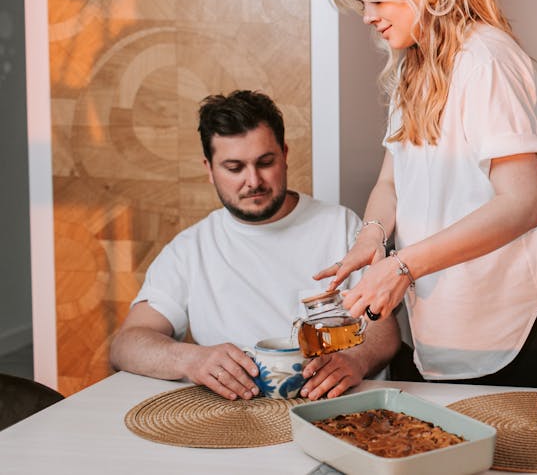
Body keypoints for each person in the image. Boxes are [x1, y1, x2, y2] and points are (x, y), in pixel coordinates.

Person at [315, 0, 537, 387]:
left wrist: (403, 266)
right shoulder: (414, 66)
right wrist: (371, 237)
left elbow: (522, 203)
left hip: (520, 316)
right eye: (361, 4)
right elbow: (392, 179)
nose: (367, 17)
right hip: (455, 315)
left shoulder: (485, 58)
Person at [110, 90, 399, 401]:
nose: (253, 181)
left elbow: (385, 332)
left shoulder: (340, 226)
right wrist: (190, 359)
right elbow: (126, 344)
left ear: (285, 154)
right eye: (234, 168)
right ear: (209, 169)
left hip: (337, 406)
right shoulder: (190, 248)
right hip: (236, 417)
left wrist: (356, 360)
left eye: (265, 162)